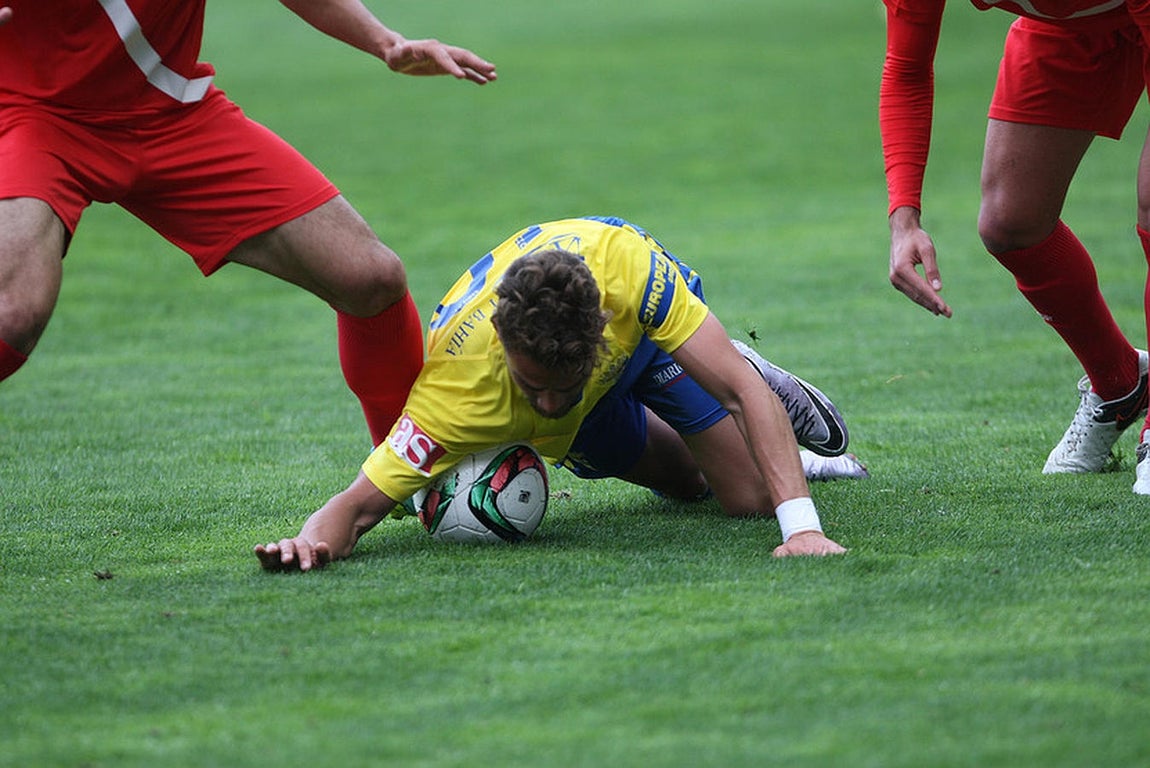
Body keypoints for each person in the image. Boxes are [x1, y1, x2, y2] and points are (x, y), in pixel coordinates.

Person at [0, 1, 496, 446]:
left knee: (370, 277)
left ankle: (414, 468)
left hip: (172, 116)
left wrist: (387, 42)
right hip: (36, 118)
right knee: (13, 314)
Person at [256, 216, 867, 571]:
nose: (546, 402)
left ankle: (746, 370)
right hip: (580, 406)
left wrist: (802, 529)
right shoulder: (453, 396)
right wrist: (307, 546)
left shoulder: (632, 277)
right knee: (687, 486)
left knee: (756, 499)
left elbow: (737, 392)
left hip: (638, 346)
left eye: (559, 386)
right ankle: (724, 436)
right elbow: (356, 507)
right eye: (532, 388)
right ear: (503, 345)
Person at [880, 0, 1150, 492]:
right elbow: (907, 68)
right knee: (1011, 222)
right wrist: (904, 218)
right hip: (1069, 24)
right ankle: (1120, 384)